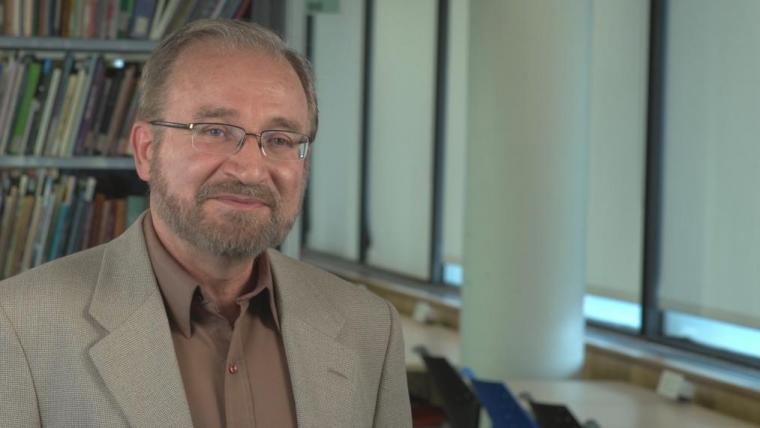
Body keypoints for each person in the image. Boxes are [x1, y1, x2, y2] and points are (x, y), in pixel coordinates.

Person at [0, 19, 411, 428]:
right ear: (146, 151)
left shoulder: (370, 329)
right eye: (214, 130)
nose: (251, 170)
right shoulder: (19, 326)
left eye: (280, 140)